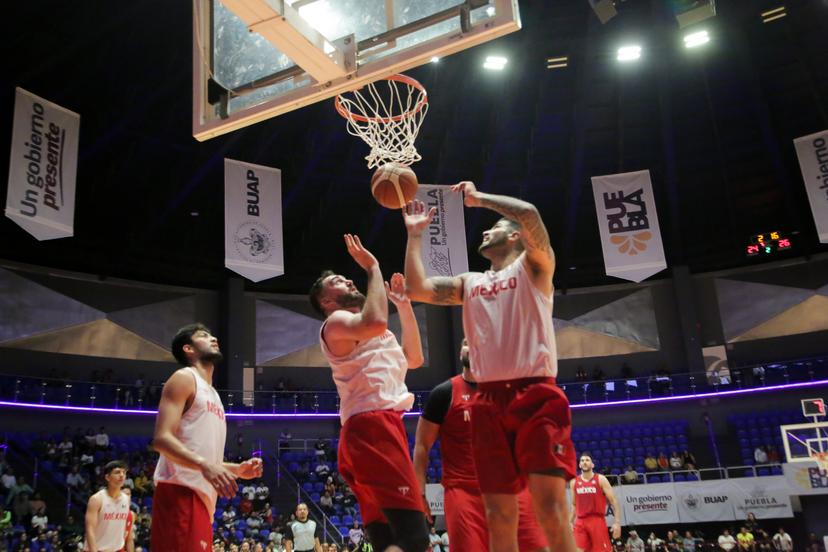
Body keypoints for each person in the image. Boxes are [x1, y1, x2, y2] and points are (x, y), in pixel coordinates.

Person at [403, 183, 576, 552]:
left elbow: (529, 210)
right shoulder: (470, 282)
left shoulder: (534, 267)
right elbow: (417, 288)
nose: (484, 231)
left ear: (515, 236)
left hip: (535, 392)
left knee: (551, 511)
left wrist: (479, 199)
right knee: (498, 515)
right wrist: (414, 237)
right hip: (487, 400)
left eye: (492, 228)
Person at [309, 234, 429, 552]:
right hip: (372, 427)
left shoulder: (375, 331)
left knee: (387, 538)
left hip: (376, 428)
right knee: (414, 539)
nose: (348, 278)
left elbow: (414, 359)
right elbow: (375, 321)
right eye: (337, 281)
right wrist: (373, 268)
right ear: (326, 302)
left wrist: (403, 306)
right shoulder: (335, 323)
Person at [413, 338, 548, 552]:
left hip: (510, 488)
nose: (472, 347)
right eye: (466, 343)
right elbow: (421, 446)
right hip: (464, 493)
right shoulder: (444, 393)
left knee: (538, 546)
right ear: (460, 352)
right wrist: (419, 493)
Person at [151, 323, 264, 551]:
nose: (213, 338)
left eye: (212, 335)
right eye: (203, 336)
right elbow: (162, 439)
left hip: (203, 501)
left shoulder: (213, 394)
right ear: (188, 349)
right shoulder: (184, 378)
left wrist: (237, 470)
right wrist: (204, 465)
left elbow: (201, 454)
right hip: (180, 492)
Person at [570, 453, 622, 552]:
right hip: (580, 522)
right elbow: (574, 505)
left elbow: (614, 501)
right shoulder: (574, 482)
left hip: (597, 521)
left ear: (592, 464)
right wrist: (569, 522)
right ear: (579, 465)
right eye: (582, 460)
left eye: (587, 460)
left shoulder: (601, 479)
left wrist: (617, 523)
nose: (584, 462)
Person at [83, 460, 133, 552]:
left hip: (117, 549)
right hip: (97, 549)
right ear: (107, 477)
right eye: (117, 472)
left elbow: (127, 533)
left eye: (124, 472)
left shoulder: (126, 499)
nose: (122, 475)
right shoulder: (96, 499)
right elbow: (90, 529)